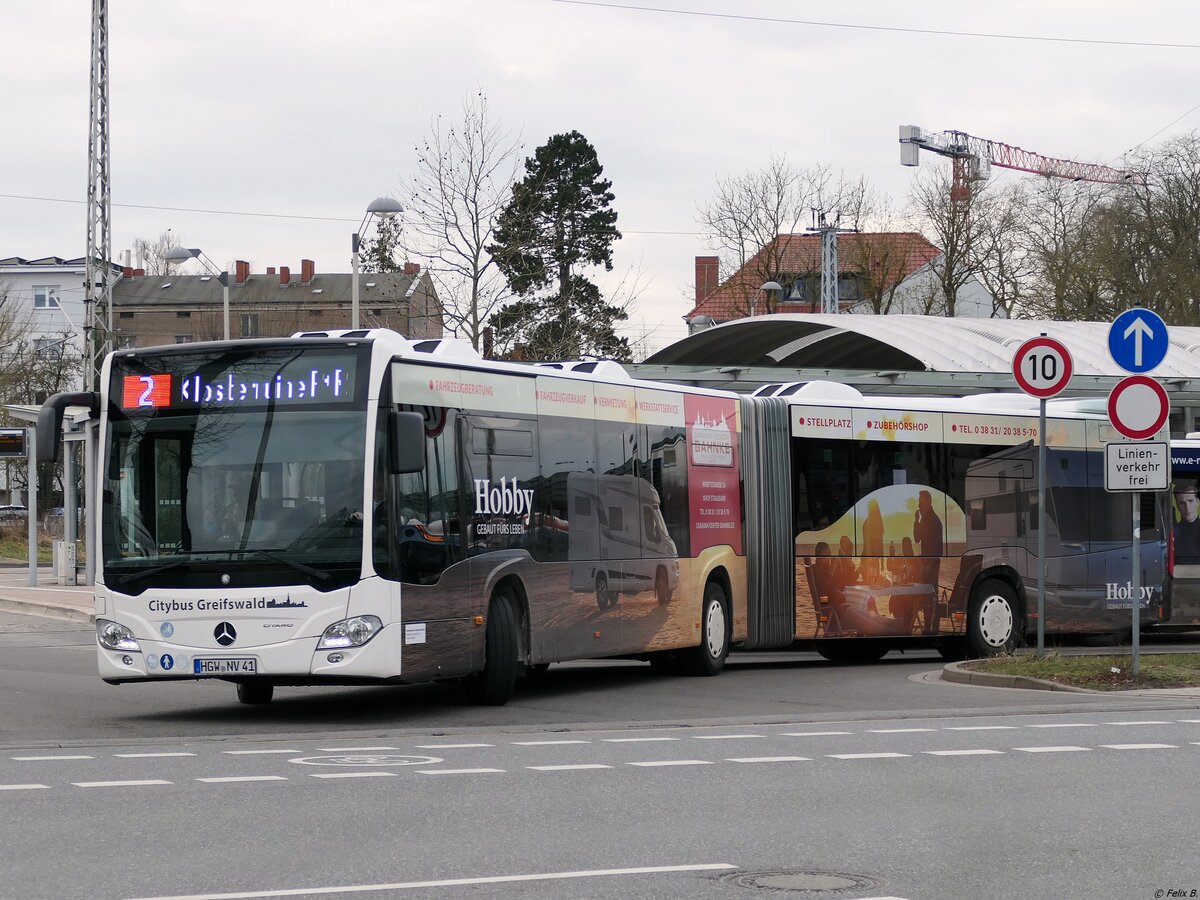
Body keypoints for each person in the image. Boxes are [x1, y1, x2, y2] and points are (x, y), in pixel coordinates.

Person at [1174, 480, 1200, 564]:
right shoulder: (1173, 532)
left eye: (1190, 501)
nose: (1187, 508)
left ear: (1198, 502)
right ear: (1177, 505)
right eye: (1182, 503)